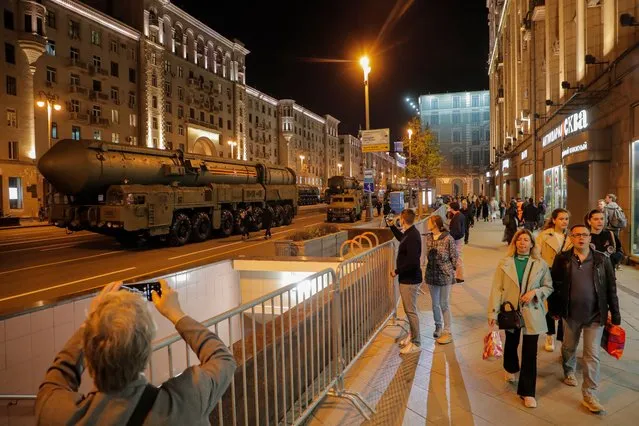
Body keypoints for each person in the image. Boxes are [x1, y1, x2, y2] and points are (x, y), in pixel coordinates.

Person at [36, 280, 237, 425]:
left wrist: (93, 322)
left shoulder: (56, 414)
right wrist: (176, 314)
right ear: (146, 353)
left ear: (88, 354)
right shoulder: (185, 403)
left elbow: (59, 374)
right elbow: (222, 358)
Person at [549, 225, 621, 414]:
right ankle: (569, 369)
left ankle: (589, 393)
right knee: (568, 346)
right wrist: (555, 309)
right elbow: (554, 285)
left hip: (595, 315)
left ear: (590, 238)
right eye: (577, 235)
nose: (581, 238)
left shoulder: (602, 259)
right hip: (570, 314)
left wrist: (616, 313)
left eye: (585, 235)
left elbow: (611, 288)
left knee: (592, 355)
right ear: (571, 238)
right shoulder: (562, 259)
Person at [488, 229, 553, 409]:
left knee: (530, 352)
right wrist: (492, 313)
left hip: (532, 311)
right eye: (519, 240)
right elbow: (497, 289)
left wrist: (535, 292)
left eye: (526, 240)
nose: (522, 243)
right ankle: (510, 367)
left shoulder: (541, 264)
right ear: (515, 243)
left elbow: (549, 287)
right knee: (511, 343)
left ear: (532, 244)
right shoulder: (505, 263)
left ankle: (527, 391)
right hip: (510, 311)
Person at [536, 208, 571, 352]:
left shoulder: (572, 236)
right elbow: (536, 256)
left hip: (567, 276)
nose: (564, 221)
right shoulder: (544, 236)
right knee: (548, 306)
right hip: (549, 274)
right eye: (561, 218)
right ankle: (550, 334)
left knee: (565, 306)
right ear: (554, 220)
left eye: (567, 219)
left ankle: (563, 339)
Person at [389, 209, 423, 355]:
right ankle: (412, 336)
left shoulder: (413, 236)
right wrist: (392, 227)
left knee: (411, 311)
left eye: (399, 219)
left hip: (410, 280)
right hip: (407, 278)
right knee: (410, 311)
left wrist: (397, 271)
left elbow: (412, 262)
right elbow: (401, 239)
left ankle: (416, 342)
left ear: (403, 219)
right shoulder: (409, 234)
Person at [423, 215, 458, 344]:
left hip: (444, 275)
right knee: (435, 303)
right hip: (432, 274)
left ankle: (447, 329)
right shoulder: (428, 237)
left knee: (444, 303)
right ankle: (438, 326)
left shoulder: (448, 238)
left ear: (436, 224)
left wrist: (450, 269)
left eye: (429, 222)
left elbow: (454, 256)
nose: (427, 224)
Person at [448, 202, 466, 283]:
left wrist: (450, 237)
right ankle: (459, 276)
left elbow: (456, 230)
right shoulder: (460, 215)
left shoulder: (457, 217)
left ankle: (460, 277)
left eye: (449, 207)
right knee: (458, 257)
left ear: (452, 208)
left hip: (457, 239)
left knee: (458, 257)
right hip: (460, 238)